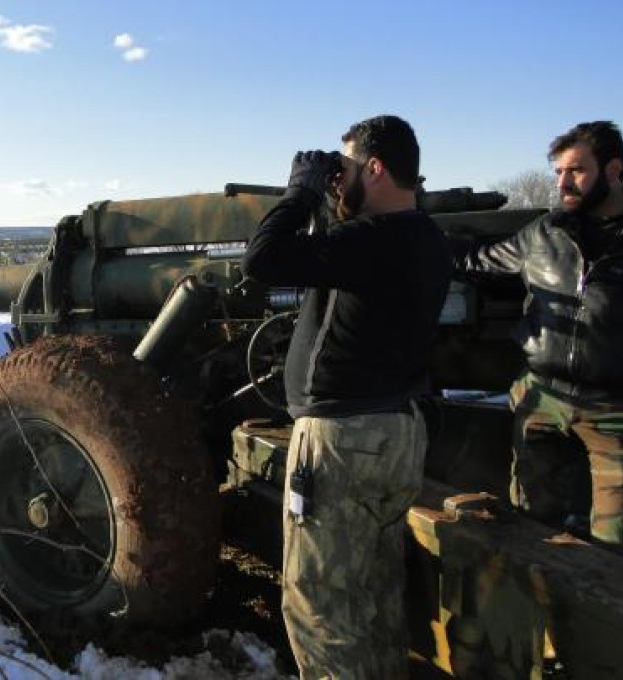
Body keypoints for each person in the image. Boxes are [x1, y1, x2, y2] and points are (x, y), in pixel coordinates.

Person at [241, 115, 453, 679]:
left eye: (347, 169)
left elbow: (261, 261)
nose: (338, 182)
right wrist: (332, 198)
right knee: (374, 599)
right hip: (398, 435)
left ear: (377, 168)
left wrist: (300, 192)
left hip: (341, 444)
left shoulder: (366, 242)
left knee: (321, 612)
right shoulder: (427, 239)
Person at [454, 121, 623, 545]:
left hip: (613, 411)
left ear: (615, 170)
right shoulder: (546, 233)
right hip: (542, 400)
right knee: (530, 525)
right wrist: (418, 240)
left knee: (613, 543)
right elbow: (479, 261)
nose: (564, 183)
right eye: (558, 172)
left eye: (577, 171)